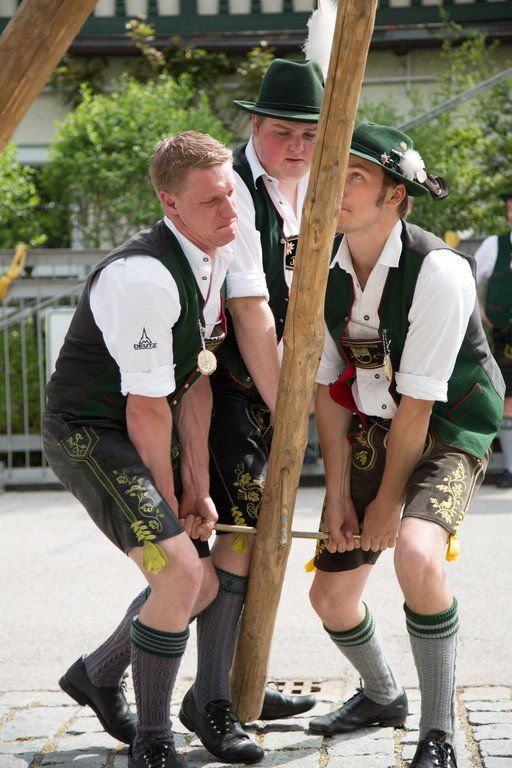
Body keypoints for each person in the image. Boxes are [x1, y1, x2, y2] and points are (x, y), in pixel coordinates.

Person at [308, 123, 504, 768]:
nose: (335, 188)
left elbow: (419, 404)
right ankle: (382, 695)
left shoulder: (438, 271)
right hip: (373, 419)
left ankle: (438, 732)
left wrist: (389, 504)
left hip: (449, 423)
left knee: (417, 554)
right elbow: (327, 390)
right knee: (330, 598)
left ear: (396, 195)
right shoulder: (316, 264)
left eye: (356, 177)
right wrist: (338, 495)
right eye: (332, 173)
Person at [42, 131, 238, 768]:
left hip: (143, 419)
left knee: (201, 584)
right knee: (181, 571)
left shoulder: (212, 254)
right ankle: (152, 742)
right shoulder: (142, 277)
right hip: (88, 430)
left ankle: (98, 674)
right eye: (211, 201)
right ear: (169, 203)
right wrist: (169, 500)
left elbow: (196, 380)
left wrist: (198, 487)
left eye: (230, 194)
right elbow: (147, 408)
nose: (229, 212)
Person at [177, 58, 324, 763]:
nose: (297, 146)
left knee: (249, 538)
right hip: (224, 386)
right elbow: (249, 310)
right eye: (282, 132)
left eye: (309, 134)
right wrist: (289, 408)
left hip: (261, 388)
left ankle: (236, 684)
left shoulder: (307, 189)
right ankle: (211, 698)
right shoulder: (233, 188)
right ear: (254, 126)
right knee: (235, 537)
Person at [473, 188, 512, 487]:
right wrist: (482, 312)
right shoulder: (493, 245)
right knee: (508, 400)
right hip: (504, 336)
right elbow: (468, 279)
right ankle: (510, 469)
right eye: (510, 210)